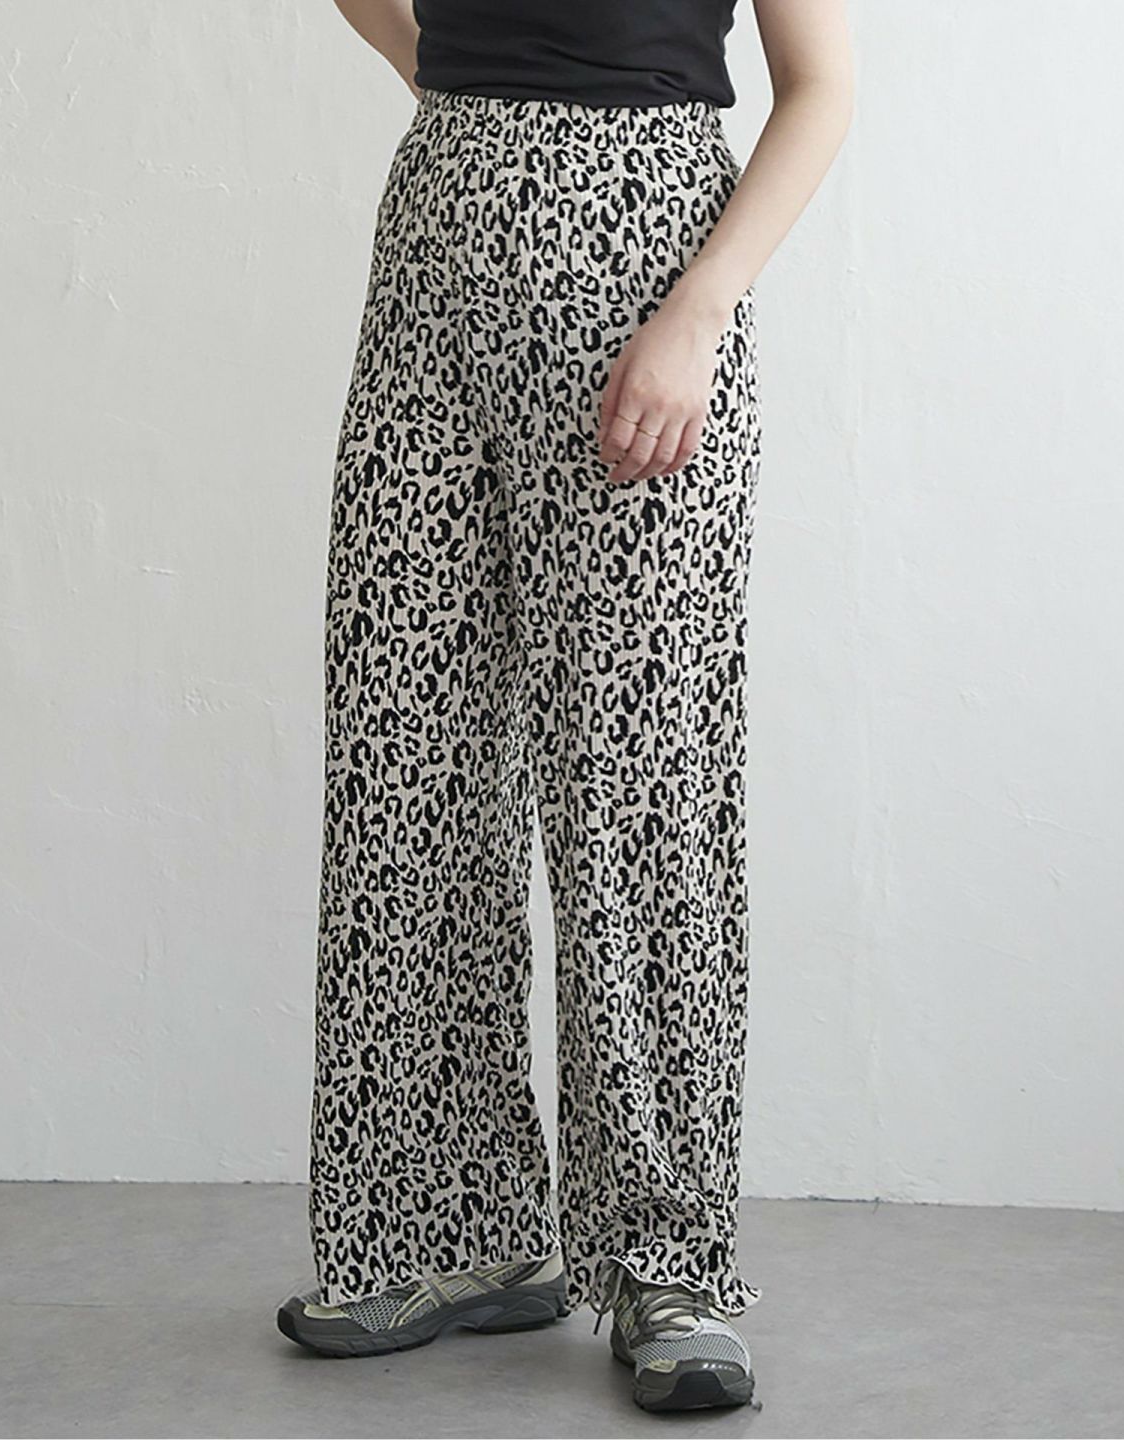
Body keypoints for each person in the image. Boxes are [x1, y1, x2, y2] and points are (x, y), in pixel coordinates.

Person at [277, 0, 853, 1414]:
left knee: (636, 783)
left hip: (642, 266)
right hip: (436, 252)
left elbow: (821, 87)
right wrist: (449, 79)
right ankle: (448, 1230)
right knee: (406, 758)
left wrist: (698, 313)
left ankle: (669, 1260)